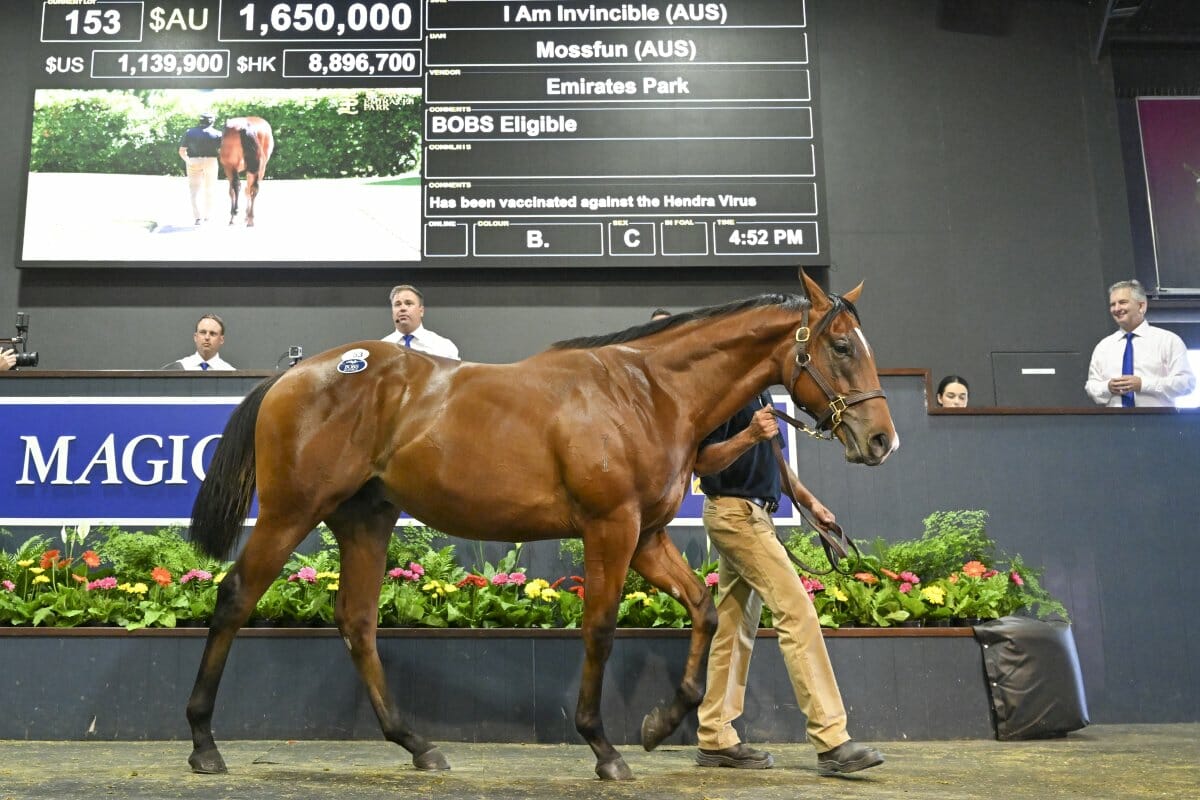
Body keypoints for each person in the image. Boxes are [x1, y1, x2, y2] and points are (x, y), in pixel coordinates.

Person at [693, 397, 884, 776]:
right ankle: (831, 740)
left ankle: (715, 735)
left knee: (733, 627)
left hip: (752, 513)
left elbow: (777, 464)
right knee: (796, 612)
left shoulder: (759, 393)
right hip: (735, 514)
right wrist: (749, 434)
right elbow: (702, 462)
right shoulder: (725, 393)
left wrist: (812, 503)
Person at [1085, 279, 1195, 407]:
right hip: (1116, 423)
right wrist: (1107, 387)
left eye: (1122, 302)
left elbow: (1186, 384)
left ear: (1141, 306)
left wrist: (1143, 384)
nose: (1116, 309)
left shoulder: (1168, 341)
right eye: (1112, 304)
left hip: (1159, 423)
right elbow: (1091, 386)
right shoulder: (1103, 347)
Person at [382, 284, 460, 359]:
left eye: (408, 303)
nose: (402, 308)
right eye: (397, 304)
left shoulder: (443, 347)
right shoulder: (381, 348)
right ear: (392, 313)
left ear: (421, 311)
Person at [178, 112, 222, 226]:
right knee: (210, 189)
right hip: (211, 162)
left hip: (193, 161)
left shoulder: (190, 132)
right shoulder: (218, 134)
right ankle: (207, 216)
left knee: (194, 191)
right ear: (212, 121)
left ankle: (198, 218)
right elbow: (222, 152)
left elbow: (182, 151)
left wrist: (189, 161)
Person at [168, 314, 235, 371]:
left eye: (212, 333)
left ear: (221, 340)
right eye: (203, 332)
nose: (207, 337)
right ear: (195, 337)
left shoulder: (230, 372)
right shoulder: (177, 369)